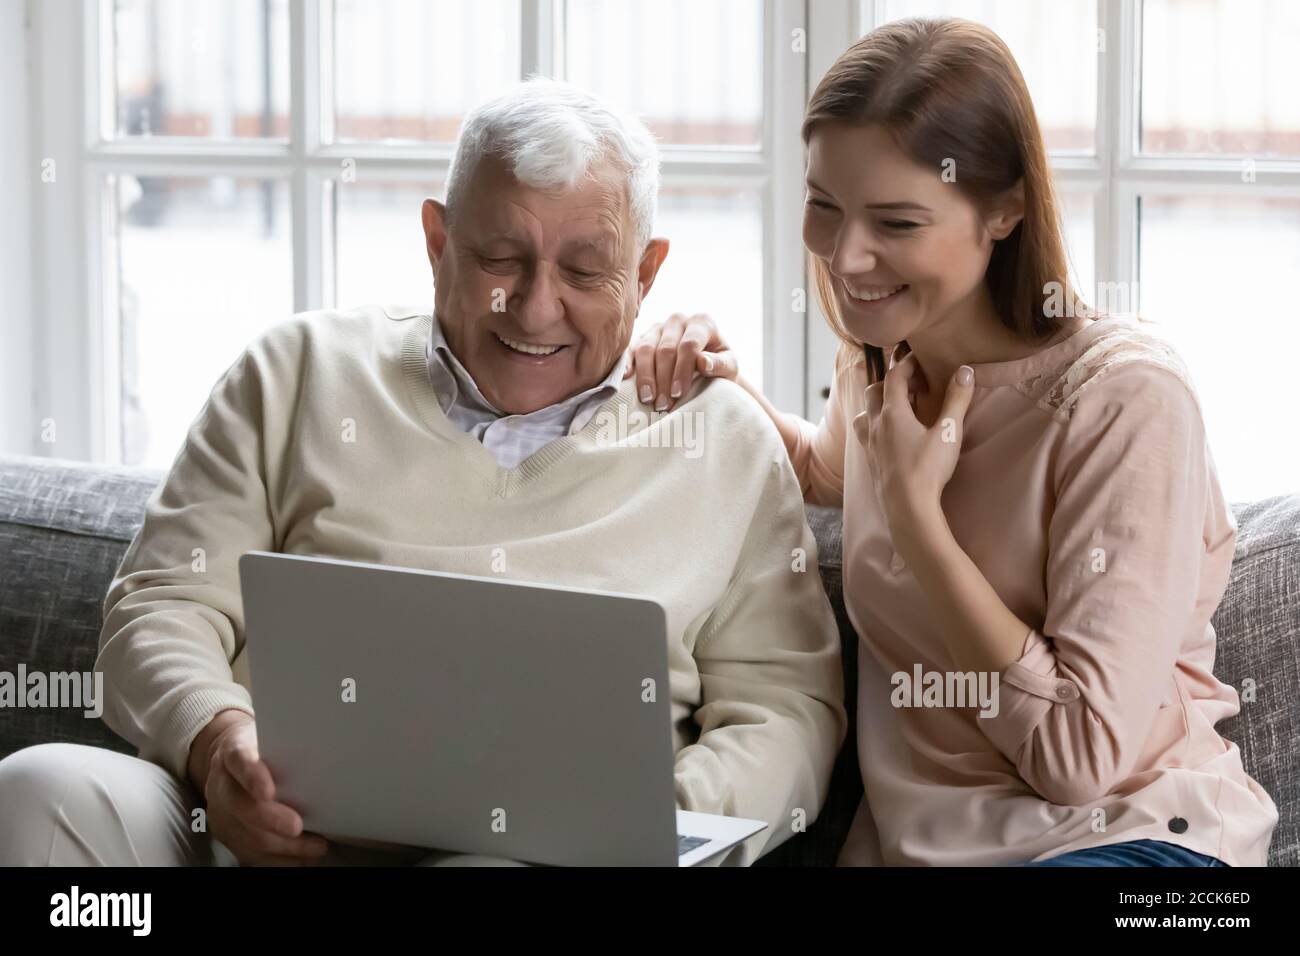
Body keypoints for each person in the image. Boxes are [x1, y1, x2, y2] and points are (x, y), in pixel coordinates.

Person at [0, 79, 845, 867]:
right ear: (438, 243)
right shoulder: (297, 373)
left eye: (585, 271)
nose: (538, 306)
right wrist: (218, 741)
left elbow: (788, 708)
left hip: (547, 861)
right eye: (499, 259)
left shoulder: (721, 441)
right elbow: (160, 603)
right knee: (44, 791)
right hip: (257, 834)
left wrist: (651, 824)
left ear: (647, 272)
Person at [629, 17, 1277, 867]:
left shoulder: (1125, 400)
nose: (847, 256)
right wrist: (714, 379)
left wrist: (919, 526)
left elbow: (1077, 761)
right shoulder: (884, 359)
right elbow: (824, 471)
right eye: (824, 206)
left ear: (1004, 209)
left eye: (896, 223)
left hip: (1137, 848)